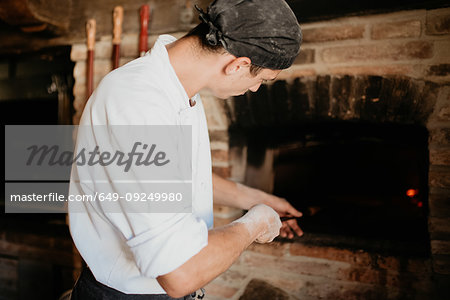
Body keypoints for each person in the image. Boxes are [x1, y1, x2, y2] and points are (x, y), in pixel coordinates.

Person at [68, 0, 303, 299]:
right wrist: (254, 224)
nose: (255, 89)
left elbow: (180, 177)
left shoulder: (179, 90)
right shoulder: (136, 104)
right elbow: (180, 273)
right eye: (261, 80)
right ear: (238, 65)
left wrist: (258, 198)